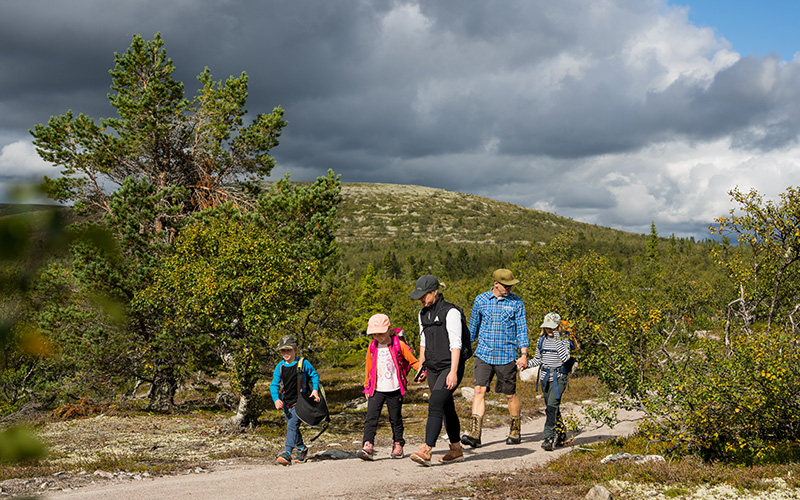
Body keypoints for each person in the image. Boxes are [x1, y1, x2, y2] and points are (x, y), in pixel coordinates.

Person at [461, 268, 529, 448]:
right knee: (478, 391)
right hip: (484, 354)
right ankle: (475, 433)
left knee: (509, 394)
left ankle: (515, 429)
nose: (508, 289)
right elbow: (472, 328)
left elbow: (522, 330)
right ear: (496, 284)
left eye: (511, 286)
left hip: (507, 355)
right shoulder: (481, 300)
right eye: (505, 286)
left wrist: (523, 355)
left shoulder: (516, 303)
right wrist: (462, 349)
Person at [407, 275, 465, 466]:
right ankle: (456, 449)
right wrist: (421, 366)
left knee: (435, 402)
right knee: (446, 406)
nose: (421, 300)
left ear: (434, 292)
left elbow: (456, 344)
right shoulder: (422, 314)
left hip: (449, 366)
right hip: (432, 367)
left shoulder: (451, 312)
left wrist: (453, 372)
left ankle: (426, 450)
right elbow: (423, 342)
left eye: (424, 296)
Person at [357, 313, 421, 461]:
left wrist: (421, 371)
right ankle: (368, 445)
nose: (378, 336)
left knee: (395, 418)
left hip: (395, 388)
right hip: (376, 388)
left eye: (381, 333)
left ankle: (398, 444)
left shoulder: (399, 344)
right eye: (374, 334)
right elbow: (368, 368)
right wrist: (366, 386)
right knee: (371, 417)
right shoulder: (373, 346)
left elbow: (412, 361)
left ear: (389, 329)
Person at [269, 334, 321, 465]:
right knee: (293, 427)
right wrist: (276, 399)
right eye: (283, 350)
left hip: (300, 402)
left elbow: (314, 375)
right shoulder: (279, 367)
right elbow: (274, 385)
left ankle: (287, 453)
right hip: (286, 402)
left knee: (292, 426)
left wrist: (315, 390)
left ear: (295, 350)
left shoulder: (303, 363)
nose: (286, 353)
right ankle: (302, 449)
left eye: (289, 350)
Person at [525, 312, 571, 451]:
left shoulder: (563, 339)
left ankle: (548, 438)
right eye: (546, 327)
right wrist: (526, 364)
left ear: (558, 327)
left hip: (559, 377)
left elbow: (565, 358)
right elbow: (537, 359)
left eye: (551, 327)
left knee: (551, 406)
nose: (548, 330)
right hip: (545, 378)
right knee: (553, 409)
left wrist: (557, 340)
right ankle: (562, 434)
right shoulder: (541, 340)